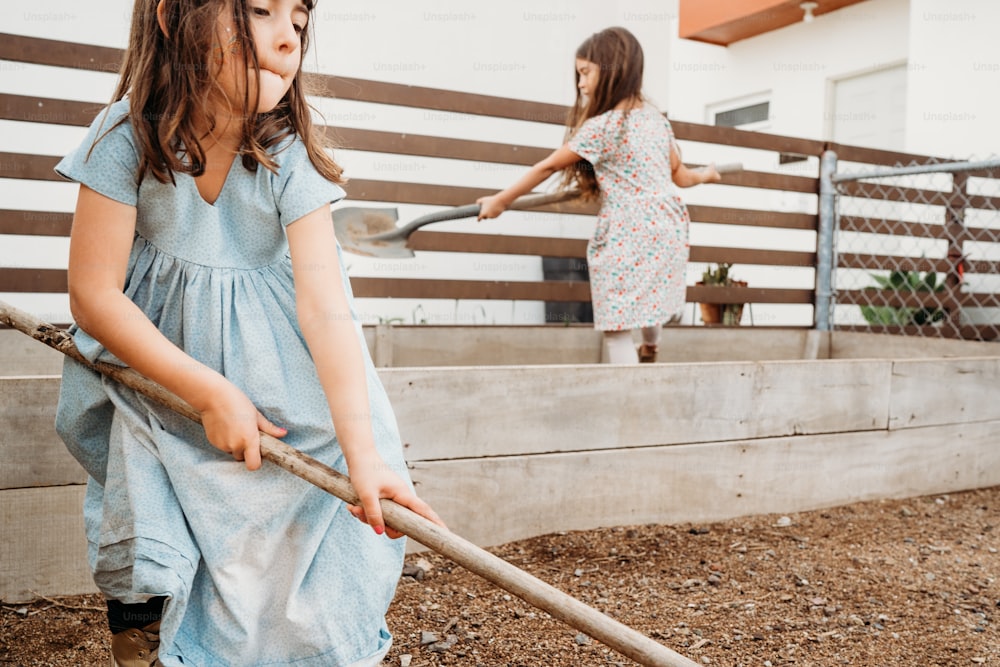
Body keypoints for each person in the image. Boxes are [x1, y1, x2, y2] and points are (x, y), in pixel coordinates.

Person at [53, 1, 442, 665]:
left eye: (299, 17)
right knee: (144, 498)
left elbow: (324, 312)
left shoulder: (290, 157)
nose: (288, 36)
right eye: (261, 9)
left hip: (283, 388)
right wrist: (205, 391)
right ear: (176, 17)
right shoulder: (125, 139)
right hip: (161, 379)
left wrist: (364, 458)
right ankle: (145, 634)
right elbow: (93, 293)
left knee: (306, 532)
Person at [478, 26, 722, 364]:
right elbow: (680, 176)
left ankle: (629, 396)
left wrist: (501, 200)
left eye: (584, 73)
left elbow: (547, 167)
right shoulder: (656, 121)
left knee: (617, 323)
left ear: (612, 69)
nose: (580, 84)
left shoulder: (606, 126)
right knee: (650, 297)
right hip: (670, 224)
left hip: (630, 228)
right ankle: (651, 346)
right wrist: (706, 175)